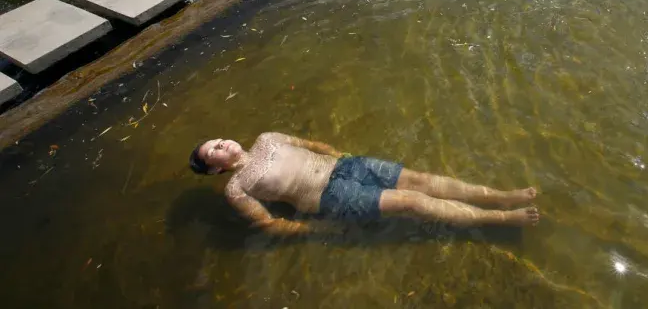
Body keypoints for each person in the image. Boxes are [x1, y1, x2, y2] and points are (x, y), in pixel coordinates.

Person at [189, 132, 540, 235]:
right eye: (214, 150)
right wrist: (316, 231)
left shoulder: (266, 138)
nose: (223, 144)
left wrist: (342, 154)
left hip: (346, 166)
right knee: (411, 202)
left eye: (219, 139)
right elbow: (267, 223)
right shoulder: (237, 188)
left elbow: (312, 145)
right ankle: (500, 219)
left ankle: (500, 197)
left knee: (419, 179)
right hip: (329, 196)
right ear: (213, 170)